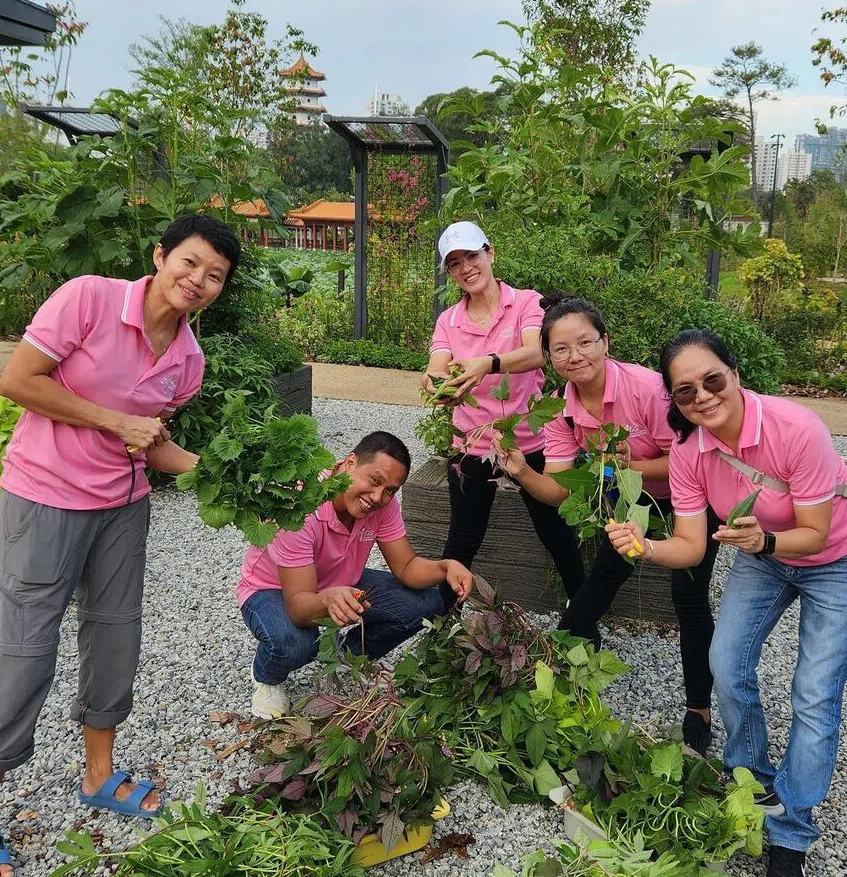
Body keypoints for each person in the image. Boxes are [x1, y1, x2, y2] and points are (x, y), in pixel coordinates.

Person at [0, 213, 242, 877]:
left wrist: (240, 478)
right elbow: (19, 380)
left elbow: (157, 446)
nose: (198, 281)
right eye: (190, 263)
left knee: (116, 639)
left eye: (215, 276)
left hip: (122, 507)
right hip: (44, 497)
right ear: (160, 255)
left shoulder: (188, 362)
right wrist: (114, 419)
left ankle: (98, 773)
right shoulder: (87, 298)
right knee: (25, 650)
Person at [606, 328, 847, 877]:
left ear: (734, 374)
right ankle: (752, 780)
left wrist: (766, 540)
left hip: (836, 558)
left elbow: (815, 532)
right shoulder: (688, 455)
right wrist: (643, 546)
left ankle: (793, 833)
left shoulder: (795, 427)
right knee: (725, 664)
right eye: (685, 392)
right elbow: (690, 546)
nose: (703, 397)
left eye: (712, 380)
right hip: (763, 555)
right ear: (674, 402)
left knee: (813, 692)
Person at [494, 296, 719, 755]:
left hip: (692, 494)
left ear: (605, 342)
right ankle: (551, 666)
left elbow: (690, 454)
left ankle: (699, 711)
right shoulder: (559, 409)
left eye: (585, 343)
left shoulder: (647, 389)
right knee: (605, 573)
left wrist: (630, 460)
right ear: (550, 357)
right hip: (629, 495)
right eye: (561, 349)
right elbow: (560, 490)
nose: (575, 356)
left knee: (688, 596)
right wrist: (520, 471)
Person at [239, 431, 474, 717]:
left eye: (390, 490)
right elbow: (299, 606)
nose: (378, 497)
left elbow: (406, 567)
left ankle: (344, 655)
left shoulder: (382, 506)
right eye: (374, 481)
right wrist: (328, 600)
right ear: (350, 463)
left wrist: (446, 566)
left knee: (425, 603)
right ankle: (267, 676)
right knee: (297, 642)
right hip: (273, 589)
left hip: (340, 582)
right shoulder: (299, 505)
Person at [423, 222, 587, 607]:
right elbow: (434, 368)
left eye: (472, 256)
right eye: (455, 263)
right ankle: (443, 622)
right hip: (472, 445)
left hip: (528, 439)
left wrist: (487, 364)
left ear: (490, 253)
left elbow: (535, 353)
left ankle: (582, 614)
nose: (466, 268)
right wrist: (436, 387)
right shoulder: (448, 320)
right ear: (450, 273)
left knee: (555, 530)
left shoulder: (528, 302)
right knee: (463, 536)